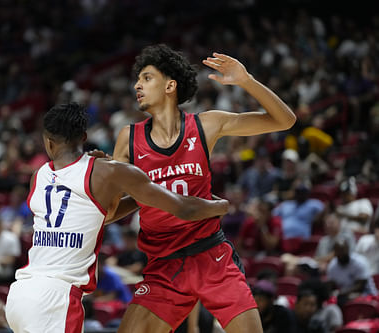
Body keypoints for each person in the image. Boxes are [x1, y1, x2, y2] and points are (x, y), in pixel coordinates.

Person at [112, 44, 295, 332]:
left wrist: (246, 81)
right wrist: (138, 193)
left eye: (147, 78)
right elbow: (108, 211)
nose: (137, 84)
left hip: (212, 257)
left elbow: (285, 120)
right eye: (138, 79)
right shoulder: (128, 137)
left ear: (170, 85)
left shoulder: (206, 125)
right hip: (163, 266)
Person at [4, 102, 229, 333]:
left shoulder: (38, 176)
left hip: (20, 294)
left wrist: (137, 198)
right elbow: (185, 209)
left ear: (48, 142)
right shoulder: (108, 171)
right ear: (84, 136)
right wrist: (221, 206)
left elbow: (92, 216)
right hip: (56, 299)